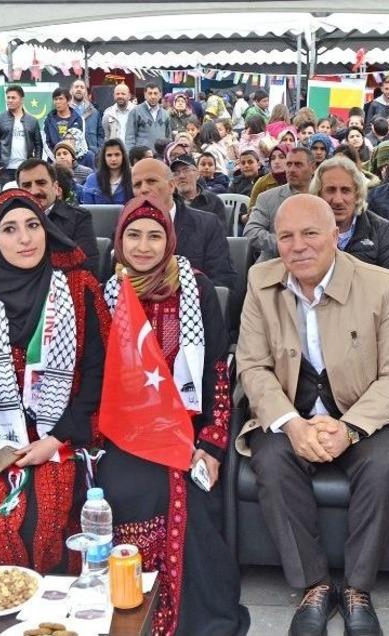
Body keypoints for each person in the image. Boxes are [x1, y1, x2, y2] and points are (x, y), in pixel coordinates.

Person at [235, 193, 389, 636]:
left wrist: (350, 428)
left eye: (310, 234)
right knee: (271, 461)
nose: (297, 246)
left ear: (336, 236)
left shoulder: (380, 284)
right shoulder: (260, 282)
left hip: (366, 415)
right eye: (286, 236)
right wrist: (291, 423)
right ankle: (314, 586)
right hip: (291, 412)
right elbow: (252, 367)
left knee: (385, 466)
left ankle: (358, 588)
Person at [98, 198, 247, 635]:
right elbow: (95, 378)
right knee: (115, 487)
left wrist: (213, 444)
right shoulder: (106, 295)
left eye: (155, 235)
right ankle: (124, 607)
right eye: (134, 235)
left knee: (187, 492)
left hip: (186, 427)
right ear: (120, 242)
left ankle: (175, 614)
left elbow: (218, 371)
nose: (143, 247)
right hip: (122, 430)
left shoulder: (195, 289)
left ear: (170, 241)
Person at [0, 189, 108, 574]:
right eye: (10, 229)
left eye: (33, 225)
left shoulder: (80, 288)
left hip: (65, 428)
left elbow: (100, 375)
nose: (25, 239)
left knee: (42, 522)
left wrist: (56, 439)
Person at [130, 158, 236, 292]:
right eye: (137, 185)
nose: (144, 189)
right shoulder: (126, 227)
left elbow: (222, 280)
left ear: (171, 186)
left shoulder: (208, 225)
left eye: (152, 181)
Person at [312, 154, 389, 283]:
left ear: (357, 195)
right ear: (318, 193)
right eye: (330, 190)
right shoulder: (303, 230)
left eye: (345, 190)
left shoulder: (381, 230)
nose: (338, 200)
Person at [17, 158, 98, 273]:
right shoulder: (11, 223)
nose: (34, 191)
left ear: (55, 187)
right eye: (26, 185)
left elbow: (88, 267)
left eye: (41, 183)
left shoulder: (79, 218)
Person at [245, 147, 316, 258]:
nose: (291, 170)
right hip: (275, 262)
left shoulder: (324, 197)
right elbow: (252, 231)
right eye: (288, 164)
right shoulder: (267, 198)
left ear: (312, 168)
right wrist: (284, 244)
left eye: (298, 165)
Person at [0, 85, 44, 186]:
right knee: (7, 199)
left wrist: (35, 164)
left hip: (26, 168)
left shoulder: (32, 121)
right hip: (6, 169)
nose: (9, 100)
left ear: (21, 100)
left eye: (13, 98)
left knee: (26, 198)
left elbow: (38, 145)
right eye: (8, 97)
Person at [171, 155, 229, 221]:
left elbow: (222, 230)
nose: (181, 176)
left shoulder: (213, 202)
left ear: (197, 174)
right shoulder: (168, 202)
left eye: (186, 170)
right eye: (175, 173)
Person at [80, 139, 132, 205]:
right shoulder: (92, 180)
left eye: (117, 154)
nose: (113, 159)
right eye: (109, 155)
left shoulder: (133, 178)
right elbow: (87, 209)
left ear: (123, 156)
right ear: (104, 157)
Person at [126, 83, 172, 151]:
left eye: (155, 93)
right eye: (150, 93)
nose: (153, 96)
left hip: (160, 156)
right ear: (145, 95)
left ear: (160, 95)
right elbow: (130, 137)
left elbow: (168, 137)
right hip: (142, 156)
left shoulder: (165, 114)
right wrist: (130, 155)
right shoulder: (136, 112)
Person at [44, 87, 83, 152]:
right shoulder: (48, 119)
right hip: (53, 159)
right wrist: (56, 157)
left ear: (68, 101)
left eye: (61, 99)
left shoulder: (78, 119)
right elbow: (46, 142)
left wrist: (71, 158)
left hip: (73, 159)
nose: (58, 102)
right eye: (55, 99)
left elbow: (81, 141)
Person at [69, 79, 103, 153]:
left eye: (82, 87)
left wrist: (98, 150)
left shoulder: (94, 112)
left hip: (91, 154)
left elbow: (101, 135)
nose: (79, 89)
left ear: (86, 92)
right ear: (71, 91)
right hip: (70, 153)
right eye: (76, 87)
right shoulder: (65, 111)